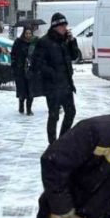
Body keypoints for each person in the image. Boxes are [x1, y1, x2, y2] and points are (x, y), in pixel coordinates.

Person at [31, 12, 82, 145]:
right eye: (62, 26)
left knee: (71, 112)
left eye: (66, 25)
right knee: (54, 115)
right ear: (55, 27)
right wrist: (53, 73)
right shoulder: (44, 42)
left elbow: (74, 56)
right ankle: (53, 143)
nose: (65, 28)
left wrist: (72, 41)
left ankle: (63, 140)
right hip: (52, 86)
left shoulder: (64, 40)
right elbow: (37, 64)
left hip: (66, 84)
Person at [10, 27, 36, 115]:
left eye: (30, 33)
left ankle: (29, 109)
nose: (28, 35)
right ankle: (21, 106)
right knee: (22, 91)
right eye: (26, 33)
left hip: (31, 70)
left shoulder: (34, 43)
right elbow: (13, 54)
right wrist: (15, 65)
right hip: (20, 70)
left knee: (31, 91)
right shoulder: (18, 42)